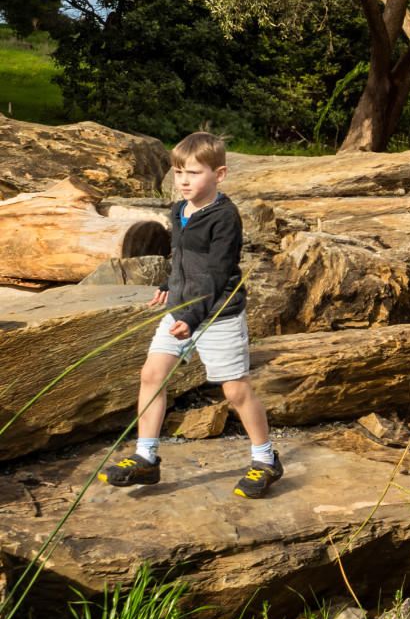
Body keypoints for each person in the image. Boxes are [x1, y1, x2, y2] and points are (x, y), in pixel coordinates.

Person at [100, 133, 283, 498]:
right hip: (183, 309)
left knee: (235, 390)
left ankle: (265, 460)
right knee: (151, 374)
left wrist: (196, 315)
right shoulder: (179, 210)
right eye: (178, 172)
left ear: (220, 174)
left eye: (194, 173)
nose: (183, 181)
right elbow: (184, 256)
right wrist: (171, 283)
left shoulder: (225, 217)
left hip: (217, 313)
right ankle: (145, 458)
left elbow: (216, 272)